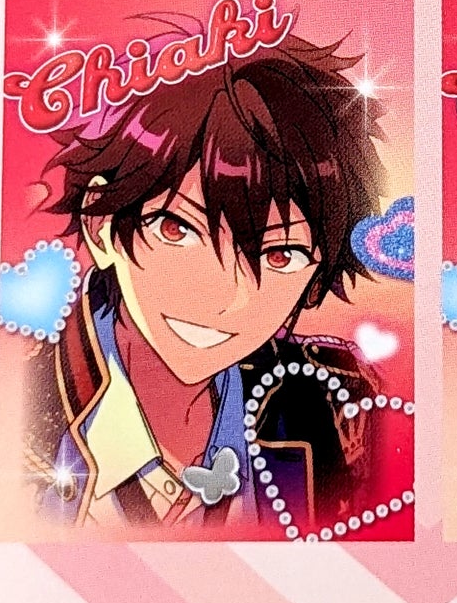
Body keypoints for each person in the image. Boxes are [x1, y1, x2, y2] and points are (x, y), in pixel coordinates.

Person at [33, 30, 400, 539]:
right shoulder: (25, 409)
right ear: (101, 226)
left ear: (316, 277)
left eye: (280, 255)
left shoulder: (334, 400)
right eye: (176, 229)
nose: (225, 297)